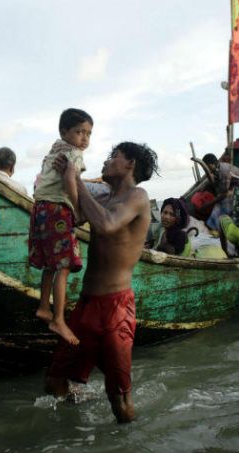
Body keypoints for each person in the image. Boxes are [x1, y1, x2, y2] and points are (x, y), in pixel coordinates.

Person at [45, 141, 157, 423]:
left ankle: (128, 440)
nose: (106, 162)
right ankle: (73, 427)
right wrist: (64, 182)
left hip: (116, 309)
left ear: (130, 164)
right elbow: (81, 217)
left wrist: (77, 180)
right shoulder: (105, 200)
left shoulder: (138, 197)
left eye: (114, 157)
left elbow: (107, 224)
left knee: (118, 398)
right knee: (55, 380)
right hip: (87, 304)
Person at [29, 108, 93, 345]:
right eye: (79, 132)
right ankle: (58, 319)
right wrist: (78, 210)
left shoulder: (56, 148)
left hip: (40, 208)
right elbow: (69, 180)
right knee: (64, 267)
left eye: (88, 133)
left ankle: (44, 307)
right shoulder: (74, 153)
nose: (84, 138)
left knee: (50, 264)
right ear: (64, 131)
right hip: (58, 210)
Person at [201, 153, 239, 231]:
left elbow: (224, 194)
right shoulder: (217, 168)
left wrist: (209, 204)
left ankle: (221, 228)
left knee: (223, 203)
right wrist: (203, 188)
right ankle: (218, 226)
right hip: (232, 187)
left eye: (207, 166)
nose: (205, 169)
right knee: (219, 202)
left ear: (212, 164)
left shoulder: (224, 171)